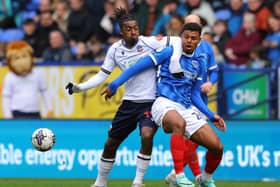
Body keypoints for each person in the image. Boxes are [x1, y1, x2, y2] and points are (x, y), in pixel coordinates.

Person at [65, 8, 181, 187]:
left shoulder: (149, 42)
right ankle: (100, 182)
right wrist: (79, 88)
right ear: (121, 31)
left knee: (147, 135)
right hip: (128, 103)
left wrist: (174, 64)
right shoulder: (115, 50)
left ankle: (138, 181)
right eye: (129, 29)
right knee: (110, 144)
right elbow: (102, 75)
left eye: (136, 28)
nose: (134, 31)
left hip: (150, 102)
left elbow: (175, 41)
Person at [103, 23, 226, 187]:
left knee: (217, 147)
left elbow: (195, 94)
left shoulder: (200, 62)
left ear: (199, 40)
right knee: (178, 124)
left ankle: (205, 178)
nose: (189, 41)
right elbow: (137, 67)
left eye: (193, 38)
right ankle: (179, 176)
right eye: (186, 37)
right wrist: (115, 84)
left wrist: (212, 116)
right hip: (163, 103)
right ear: (181, 37)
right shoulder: (169, 51)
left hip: (186, 108)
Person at [164, 14, 220, 187]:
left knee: (195, 143)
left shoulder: (207, 49)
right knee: (188, 141)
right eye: (188, 25)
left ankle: (182, 175)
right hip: (179, 101)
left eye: (195, 25)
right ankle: (183, 174)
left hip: (199, 100)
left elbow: (214, 71)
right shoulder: (174, 46)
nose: (191, 28)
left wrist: (210, 83)